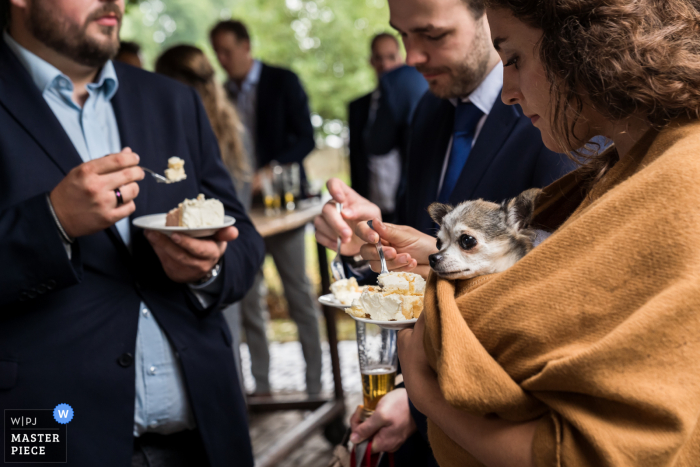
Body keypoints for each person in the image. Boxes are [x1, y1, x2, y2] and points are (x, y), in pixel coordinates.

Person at [369, 0, 700, 465]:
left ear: (584, 46)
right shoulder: (624, 168)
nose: (507, 91)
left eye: (515, 59)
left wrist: (430, 397)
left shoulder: (681, 183)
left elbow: (588, 453)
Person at [0, 1, 265, 467]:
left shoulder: (172, 100)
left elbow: (241, 235)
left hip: (206, 435)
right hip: (50, 438)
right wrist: (53, 221)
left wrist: (209, 267)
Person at [315, 0, 575, 462]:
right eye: (402, 35)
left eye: (432, 35)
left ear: (487, 16)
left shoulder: (552, 114)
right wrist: (371, 238)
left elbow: (553, 291)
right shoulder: (429, 113)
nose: (412, 57)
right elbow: (432, 257)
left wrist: (421, 400)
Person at [210, 19, 322, 396]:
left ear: (246, 45)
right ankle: (260, 388)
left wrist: (267, 173)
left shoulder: (283, 80)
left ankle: (316, 386)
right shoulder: (220, 93)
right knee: (249, 300)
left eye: (227, 50)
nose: (222, 59)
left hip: (283, 207)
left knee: (299, 297)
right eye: (217, 52)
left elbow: (306, 138)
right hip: (240, 212)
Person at [154, 44, 254, 397]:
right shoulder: (232, 124)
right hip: (235, 247)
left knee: (220, 335)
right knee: (239, 325)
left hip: (211, 248)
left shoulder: (182, 130)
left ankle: (233, 400)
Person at [348, 33, 427, 220]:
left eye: (391, 57)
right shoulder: (357, 107)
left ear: (401, 58)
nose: (385, 65)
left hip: (406, 206)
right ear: (371, 61)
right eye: (379, 58)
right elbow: (357, 159)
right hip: (371, 205)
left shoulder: (418, 100)